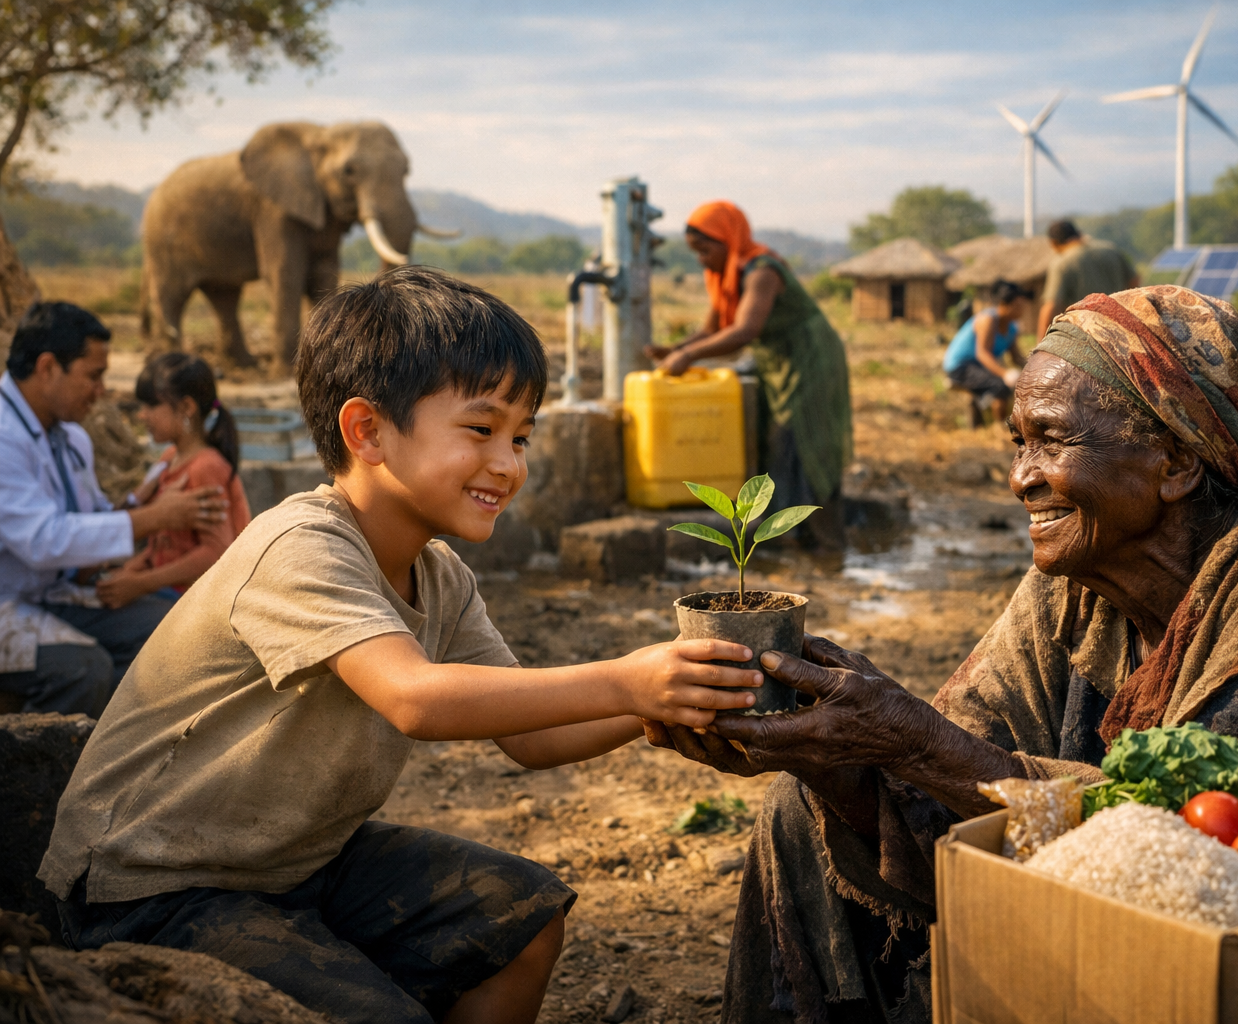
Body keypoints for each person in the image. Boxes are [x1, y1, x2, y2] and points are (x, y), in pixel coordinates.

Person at [647, 285, 1238, 1024]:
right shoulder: (1083, 573)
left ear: (1176, 462)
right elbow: (958, 749)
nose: (1022, 477)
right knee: (800, 813)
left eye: (1050, 440)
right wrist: (833, 750)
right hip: (1124, 907)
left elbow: (1196, 853)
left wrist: (908, 741)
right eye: (1018, 442)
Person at [40, 267, 766, 1024]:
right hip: (152, 883)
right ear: (368, 431)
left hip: (295, 861)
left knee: (524, 923)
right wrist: (627, 682)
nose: (509, 463)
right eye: (482, 430)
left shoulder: (438, 574)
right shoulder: (299, 545)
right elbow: (413, 697)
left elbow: (536, 735)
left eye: (521, 436)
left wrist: (677, 692)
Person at [0, 302, 228, 717]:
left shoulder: (69, 437)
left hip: (57, 591)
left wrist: (141, 514)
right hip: (10, 600)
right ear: (48, 368)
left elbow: (94, 516)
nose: (102, 390)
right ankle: (54, 768)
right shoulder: (4, 437)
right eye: (94, 376)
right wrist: (154, 518)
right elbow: (44, 540)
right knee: (85, 670)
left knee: (171, 630)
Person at [644, 201, 852, 550]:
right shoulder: (727, 275)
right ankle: (792, 534)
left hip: (809, 357)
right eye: (695, 252)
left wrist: (689, 355)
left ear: (728, 239)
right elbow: (712, 328)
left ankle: (819, 538)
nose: (701, 260)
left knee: (801, 439)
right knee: (775, 438)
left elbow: (743, 331)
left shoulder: (761, 270)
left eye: (705, 249)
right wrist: (674, 349)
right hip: (777, 360)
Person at [93, 353, 254, 609]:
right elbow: (167, 543)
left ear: (187, 408)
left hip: (198, 603)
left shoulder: (205, 467)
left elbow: (216, 553)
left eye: (151, 406)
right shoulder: (169, 459)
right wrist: (131, 571)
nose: (142, 416)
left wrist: (142, 583)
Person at [1035, 219, 1139, 339]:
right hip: (1121, 328)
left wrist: (1040, 344)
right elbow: (1134, 281)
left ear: (1053, 243)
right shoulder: (1111, 250)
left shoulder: (1061, 263)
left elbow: (1051, 305)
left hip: (1086, 334)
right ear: (1078, 233)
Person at [943, 281, 1029, 426]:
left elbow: (1016, 357)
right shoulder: (988, 320)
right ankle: (1000, 427)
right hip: (960, 367)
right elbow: (982, 353)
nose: (1021, 310)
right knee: (999, 386)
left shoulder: (1011, 328)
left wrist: (1034, 370)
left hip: (977, 367)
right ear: (1003, 305)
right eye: (1017, 306)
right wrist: (1004, 373)